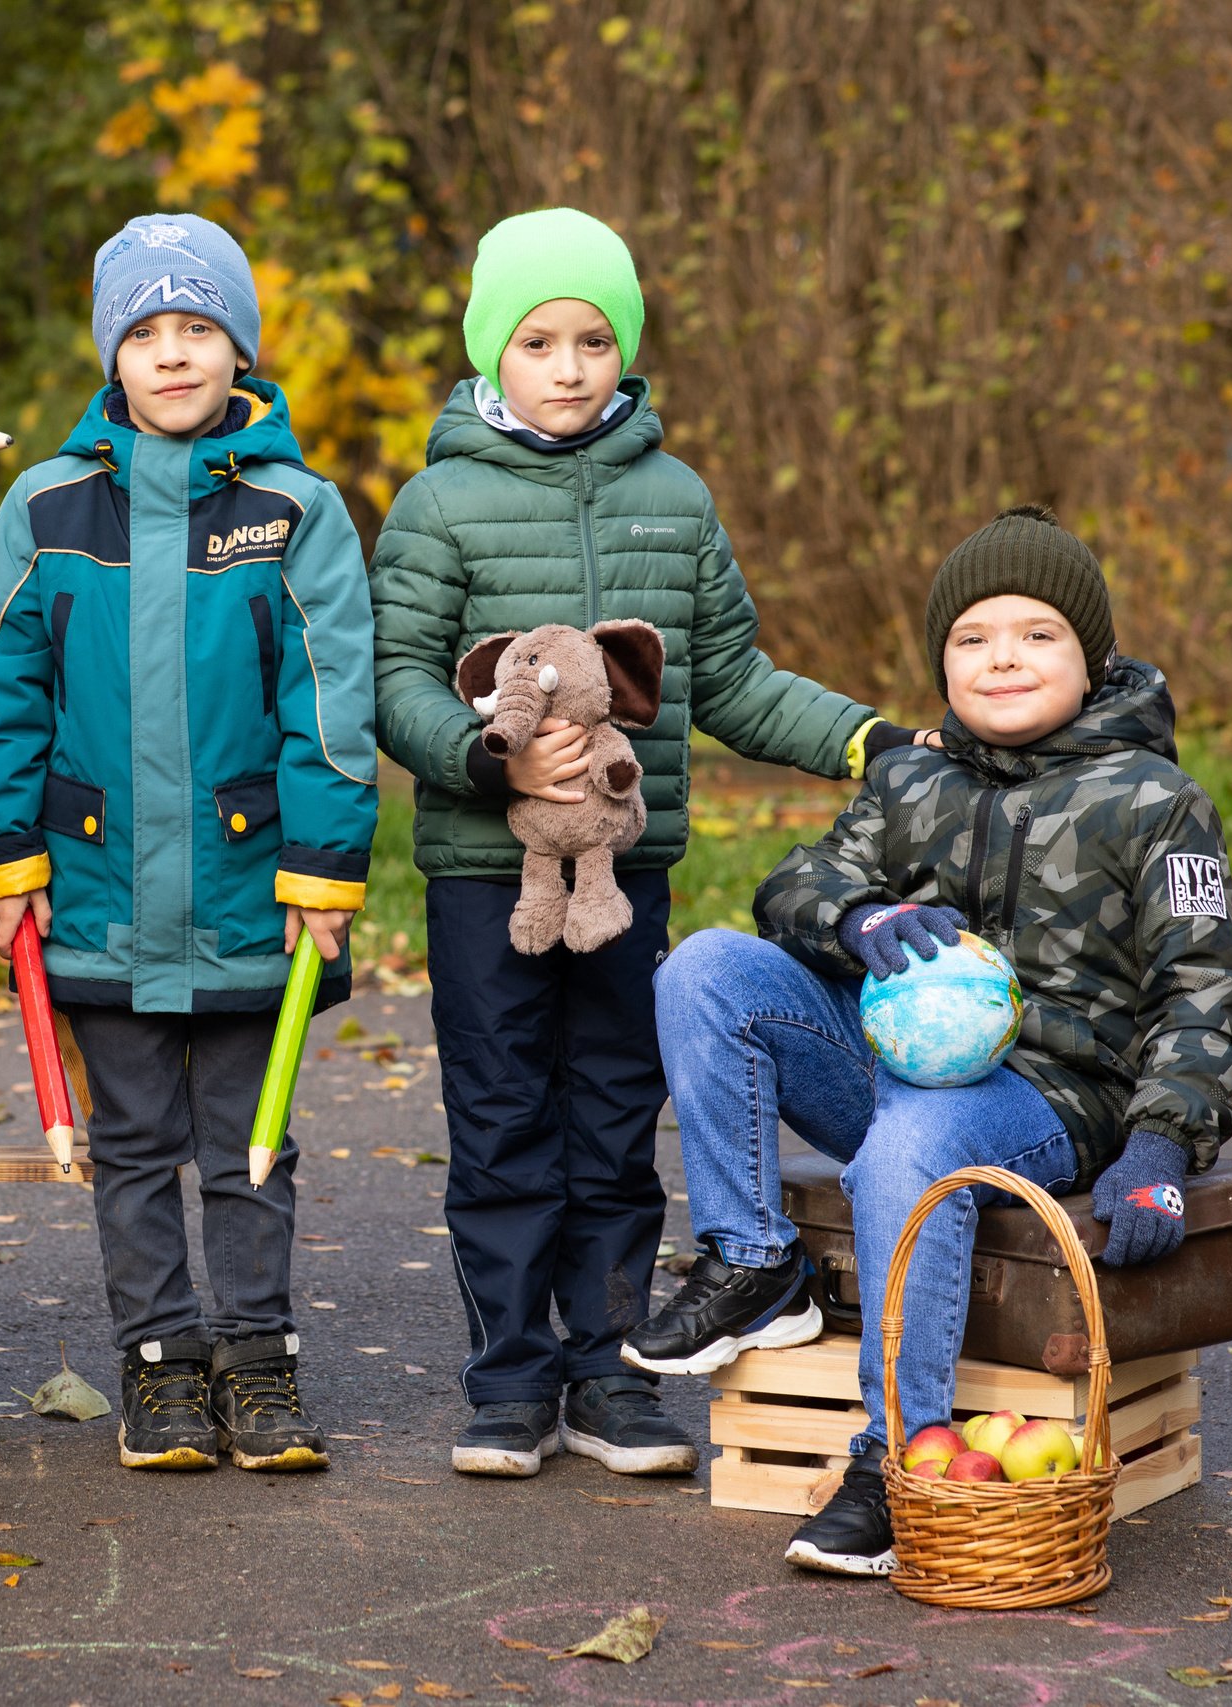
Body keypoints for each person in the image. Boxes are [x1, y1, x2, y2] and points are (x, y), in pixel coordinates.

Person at [371, 207, 935, 1480]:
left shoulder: (672, 499)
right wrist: (487, 753)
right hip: (486, 878)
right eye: (537, 342)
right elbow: (395, 677)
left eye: (592, 341)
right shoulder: (438, 502)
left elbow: (729, 677)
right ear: (488, 353)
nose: (568, 368)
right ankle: (511, 1382)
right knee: (504, 1116)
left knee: (619, 1117)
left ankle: (609, 1377)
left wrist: (864, 740)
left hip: (626, 868)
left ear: (623, 350)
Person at [626, 504, 1232, 1575]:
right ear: (940, 661)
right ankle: (753, 1261)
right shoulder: (913, 778)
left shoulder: (1153, 800)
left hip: (1050, 1103)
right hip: (900, 1064)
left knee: (912, 1144)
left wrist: (1160, 1152)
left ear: (1089, 654)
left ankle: (897, 1458)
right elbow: (802, 881)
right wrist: (856, 919)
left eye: (1035, 634)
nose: (1001, 658)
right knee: (704, 970)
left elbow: (1205, 992)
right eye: (971, 639)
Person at [0, 213, 379, 1473]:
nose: (174, 354)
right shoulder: (46, 506)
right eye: (147, 332)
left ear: (237, 349)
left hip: (255, 889)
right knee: (130, 1148)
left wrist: (325, 869)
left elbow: (329, 698)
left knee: (251, 1147)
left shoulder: (294, 509)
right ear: (113, 357)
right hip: (93, 890)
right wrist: (1, 861)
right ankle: (159, 1368)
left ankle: (257, 1362)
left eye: (198, 329)